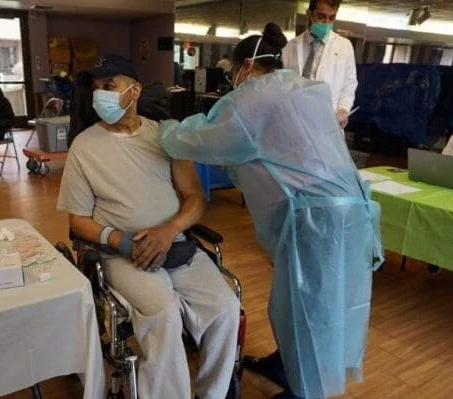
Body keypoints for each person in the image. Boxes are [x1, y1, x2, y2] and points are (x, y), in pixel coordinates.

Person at [159, 23, 383, 399]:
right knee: (299, 300)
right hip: (348, 208)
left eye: (232, 70)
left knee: (312, 306)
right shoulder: (305, 88)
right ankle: (288, 362)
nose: (232, 78)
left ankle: (305, 390)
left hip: (317, 218)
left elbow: (199, 139)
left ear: (246, 66)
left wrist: (166, 128)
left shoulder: (251, 98)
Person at [57, 55, 240, 399]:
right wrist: (121, 241)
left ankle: (213, 393)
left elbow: (194, 198)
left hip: (176, 243)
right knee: (163, 312)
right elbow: (77, 220)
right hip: (123, 253)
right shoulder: (84, 146)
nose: (100, 95)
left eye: (109, 86)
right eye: (96, 89)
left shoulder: (166, 136)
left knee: (225, 309)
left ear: (134, 90)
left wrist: (168, 231)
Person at [282, 0, 357, 129]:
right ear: (310, 14)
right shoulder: (290, 47)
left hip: (328, 122)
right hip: (295, 121)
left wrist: (343, 110)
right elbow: (282, 84)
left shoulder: (344, 47)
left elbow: (349, 85)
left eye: (331, 18)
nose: (326, 23)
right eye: (321, 16)